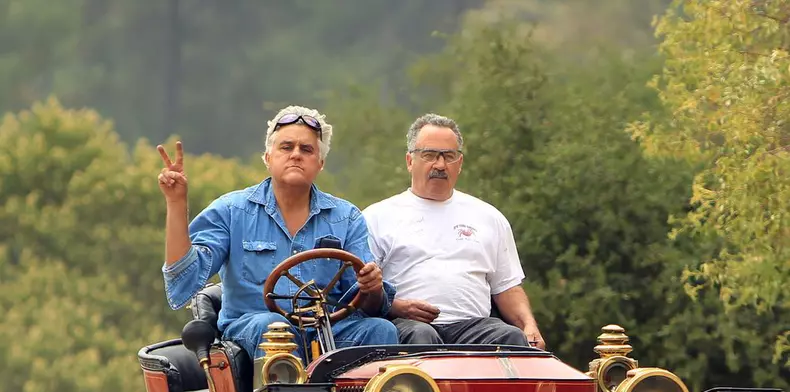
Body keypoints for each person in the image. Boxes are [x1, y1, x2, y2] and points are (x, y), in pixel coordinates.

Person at [157, 105, 398, 362]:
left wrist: (372, 287)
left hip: (329, 331)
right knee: (274, 328)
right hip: (253, 330)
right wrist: (176, 203)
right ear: (268, 157)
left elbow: (367, 302)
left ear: (320, 163)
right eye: (286, 147)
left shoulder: (346, 217)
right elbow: (184, 280)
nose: (296, 155)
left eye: (306, 149)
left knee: (381, 330)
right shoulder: (231, 210)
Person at [363, 113, 545, 349]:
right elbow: (364, 292)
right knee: (422, 337)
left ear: (459, 164)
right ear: (410, 161)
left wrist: (529, 325)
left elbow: (506, 286)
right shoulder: (376, 217)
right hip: (407, 324)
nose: (439, 165)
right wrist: (397, 306)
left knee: (511, 338)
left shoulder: (489, 217)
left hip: (473, 326)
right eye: (429, 155)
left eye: (448, 156)